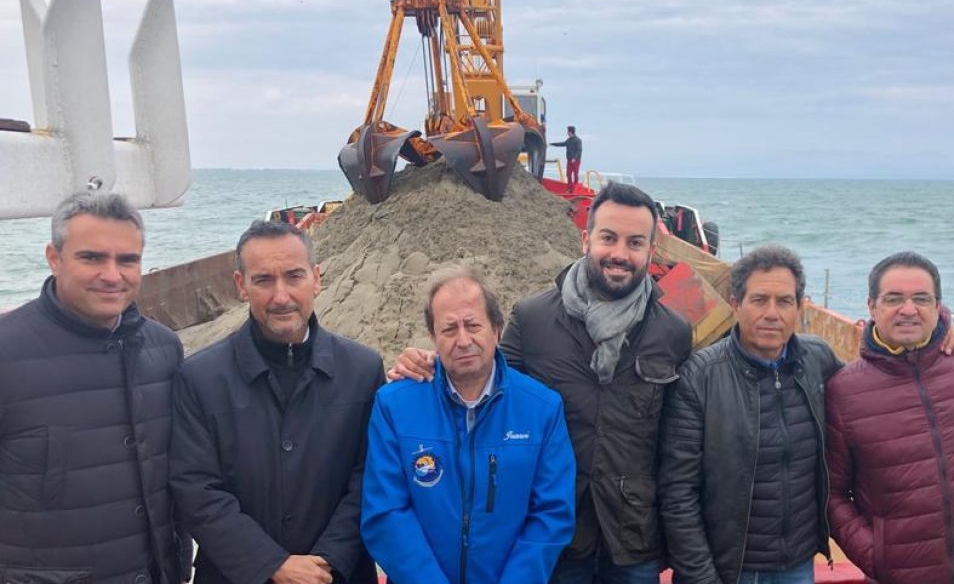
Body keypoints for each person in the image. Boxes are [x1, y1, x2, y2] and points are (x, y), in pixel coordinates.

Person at [390, 181, 693, 584]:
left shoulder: (672, 332)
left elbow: (680, 444)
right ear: (585, 239)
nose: (620, 254)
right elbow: (484, 382)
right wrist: (429, 363)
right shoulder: (533, 319)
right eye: (608, 238)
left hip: (634, 538)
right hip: (554, 536)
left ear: (651, 252)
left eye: (635, 242)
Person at [170, 220, 383, 584]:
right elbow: (195, 489)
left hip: (337, 575)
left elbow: (372, 477)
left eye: (294, 276)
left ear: (317, 278)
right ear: (241, 285)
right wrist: (271, 565)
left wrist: (327, 559)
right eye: (264, 280)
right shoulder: (200, 377)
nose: (281, 296)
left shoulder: (363, 370)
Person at [0, 191, 190, 584]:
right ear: (54, 258)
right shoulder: (7, 351)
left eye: (127, 260)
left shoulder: (164, 348)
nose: (112, 274)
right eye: (91, 257)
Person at [361, 266, 575, 583]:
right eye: (449, 329)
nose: (463, 340)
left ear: (497, 330)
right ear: (433, 337)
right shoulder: (394, 405)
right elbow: (385, 512)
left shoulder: (542, 408)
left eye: (473, 325)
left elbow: (552, 514)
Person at [824, 252, 954, 584]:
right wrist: (877, 557)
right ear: (872, 306)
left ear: (938, 305)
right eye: (894, 299)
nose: (908, 309)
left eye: (920, 298)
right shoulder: (844, 391)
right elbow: (831, 492)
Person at [659, 245, 842, 584]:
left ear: (800, 307)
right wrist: (701, 577)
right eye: (759, 300)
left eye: (784, 301)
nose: (772, 313)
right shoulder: (700, 377)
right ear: (735, 303)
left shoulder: (818, 361)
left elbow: (876, 390)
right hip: (728, 569)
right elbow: (677, 492)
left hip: (798, 563)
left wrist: (940, 335)